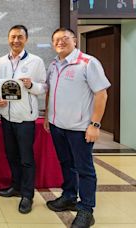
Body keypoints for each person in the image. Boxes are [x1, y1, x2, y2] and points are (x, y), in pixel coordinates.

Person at [44, 27, 110, 228]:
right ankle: (69, 196)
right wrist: (48, 116)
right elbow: (50, 92)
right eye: (56, 39)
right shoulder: (53, 64)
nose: (60, 42)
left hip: (80, 128)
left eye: (65, 38)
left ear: (74, 40)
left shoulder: (88, 63)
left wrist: (95, 124)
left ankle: (86, 209)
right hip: (57, 126)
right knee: (66, 163)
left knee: (85, 169)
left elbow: (101, 94)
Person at [0, 25, 47, 214]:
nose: (16, 40)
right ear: (8, 38)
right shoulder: (0, 62)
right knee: (11, 155)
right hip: (6, 117)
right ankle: (15, 186)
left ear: (26, 39)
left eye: (20, 37)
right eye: (13, 37)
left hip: (26, 118)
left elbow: (43, 87)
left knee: (26, 159)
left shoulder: (36, 61)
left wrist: (31, 85)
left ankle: (27, 195)